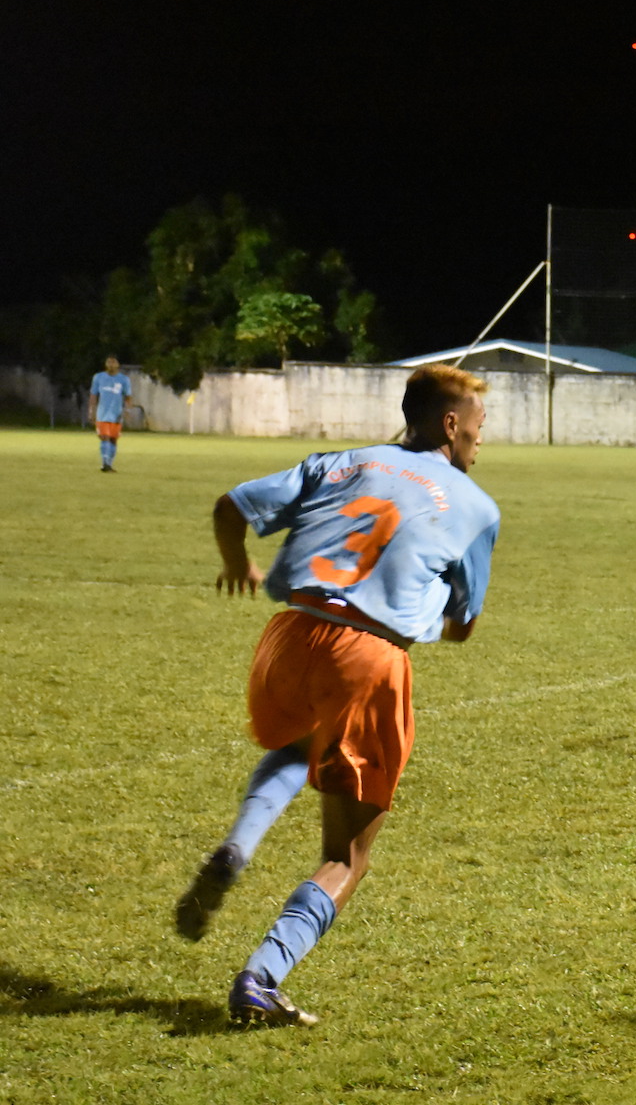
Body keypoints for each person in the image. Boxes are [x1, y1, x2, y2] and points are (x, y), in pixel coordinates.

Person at [174, 363, 501, 1028]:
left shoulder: (344, 461)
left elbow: (228, 507)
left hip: (288, 637)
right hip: (368, 658)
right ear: (449, 424)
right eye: (477, 425)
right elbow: (463, 626)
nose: (479, 439)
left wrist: (240, 565)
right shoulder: (476, 507)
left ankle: (239, 844)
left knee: (300, 745)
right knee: (345, 855)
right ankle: (262, 976)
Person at [87, 355, 133, 472]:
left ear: (118, 365)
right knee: (104, 437)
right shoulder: (98, 377)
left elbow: (128, 397)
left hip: (117, 414)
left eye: (113, 362)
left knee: (113, 439)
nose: (111, 364)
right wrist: (91, 411)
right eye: (109, 362)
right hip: (102, 414)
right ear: (106, 364)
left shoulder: (123, 379)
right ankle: (105, 464)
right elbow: (93, 395)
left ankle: (109, 464)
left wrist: (127, 411)